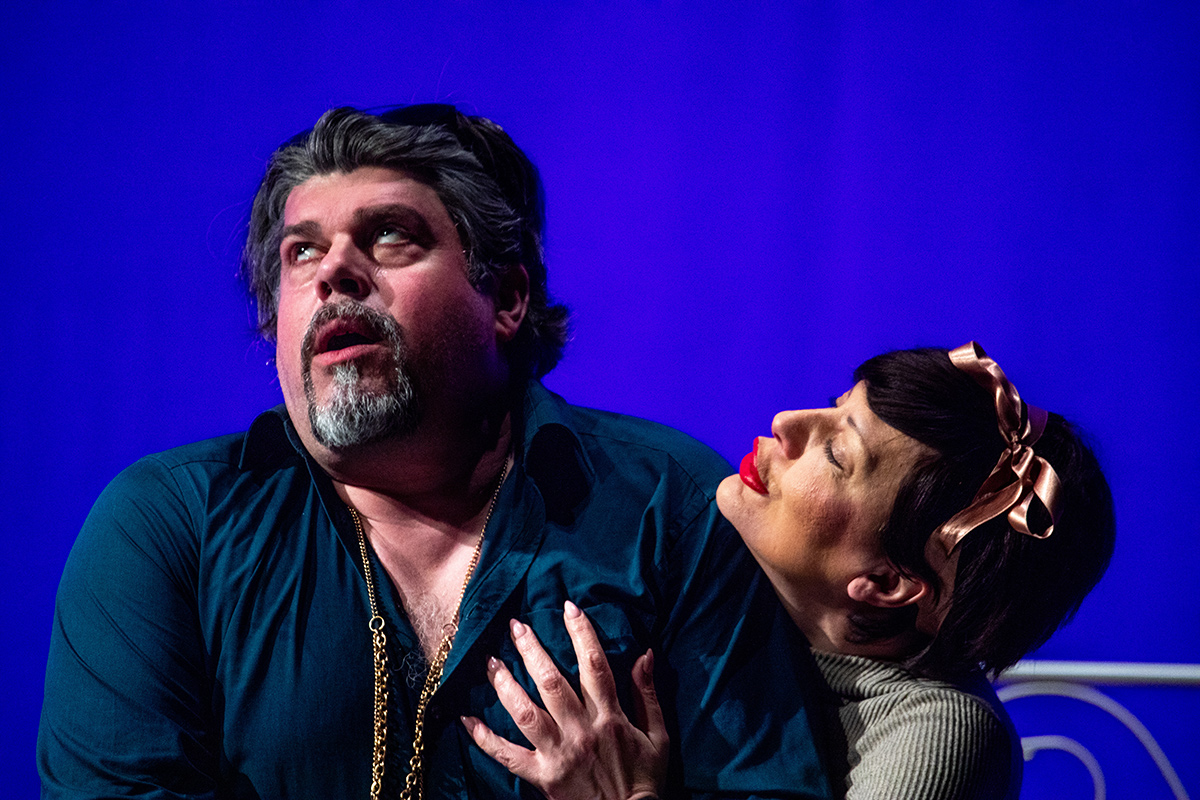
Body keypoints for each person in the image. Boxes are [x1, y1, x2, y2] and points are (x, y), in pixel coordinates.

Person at [37, 104, 832, 800]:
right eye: (301, 252)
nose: (334, 272)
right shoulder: (170, 527)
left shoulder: (670, 507)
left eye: (390, 236)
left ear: (507, 299)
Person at [467, 343, 1116, 800]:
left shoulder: (944, 733)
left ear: (888, 582)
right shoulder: (715, 607)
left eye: (836, 453)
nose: (786, 424)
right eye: (833, 405)